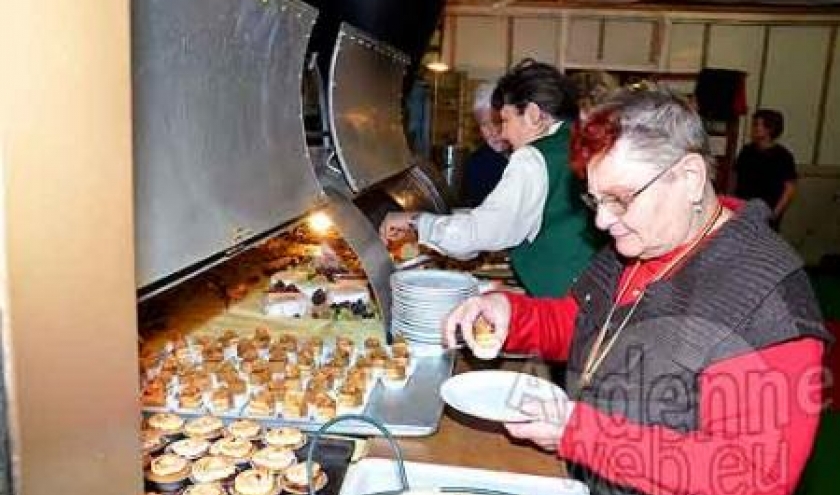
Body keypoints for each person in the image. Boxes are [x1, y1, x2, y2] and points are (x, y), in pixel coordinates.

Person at [444, 89, 832, 495]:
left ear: (690, 178)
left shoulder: (766, 301)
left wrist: (580, 432)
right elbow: (585, 325)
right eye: (595, 200)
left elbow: (751, 477)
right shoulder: (642, 243)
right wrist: (511, 315)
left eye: (621, 199)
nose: (604, 221)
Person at [380, 59, 601, 297]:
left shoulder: (533, 157)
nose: (503, 133)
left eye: (506, 120)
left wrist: (415, 222)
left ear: (534, 115)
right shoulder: (579, 141)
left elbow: (481, 233)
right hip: (591, 288)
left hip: (558, 297)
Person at [733, 109, 797, 230]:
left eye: (757, 125)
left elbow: (790, 188)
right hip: (743, 210)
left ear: (770, 129)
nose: (753, 129)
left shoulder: (783, 156)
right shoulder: (747, 151)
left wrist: (775, 213)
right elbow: (735, 177)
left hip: (766, 213)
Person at [462, 82, 509, 207]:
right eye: (484, 125)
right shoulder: (477, 163)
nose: (492, 132)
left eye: (497, 123)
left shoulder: (528, 155)